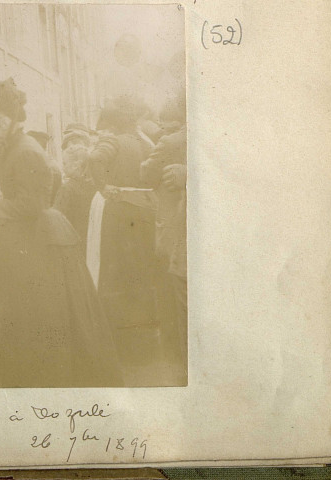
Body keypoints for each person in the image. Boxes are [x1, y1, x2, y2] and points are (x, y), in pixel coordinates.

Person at [0, 78, 122, 387]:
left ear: (3, 121)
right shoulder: (16, 147)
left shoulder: (24, 150)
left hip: (38, 246)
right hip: (33, 242)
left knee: (43, 323)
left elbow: (32, 204)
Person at [87, 95, 158, 365]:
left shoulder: (112, 141)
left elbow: (94, 157)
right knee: (141, 271)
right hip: (145, 211)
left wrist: (102, 185)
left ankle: (119, 339)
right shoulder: (144, 141)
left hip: (119, 213)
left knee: (115, 271)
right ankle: (144, 339)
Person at [140, 94, 187, 380]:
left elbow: (146, 172)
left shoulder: (169, 142)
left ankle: (180, 364)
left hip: (175, 230)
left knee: (177, 296)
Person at [54, 123, 97, 252]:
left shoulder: (67, 188)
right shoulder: (94, 185)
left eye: (65, 164)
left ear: (76, 165)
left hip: (72, 242)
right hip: (90, 239)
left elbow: (57, 217)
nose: (63, 167)